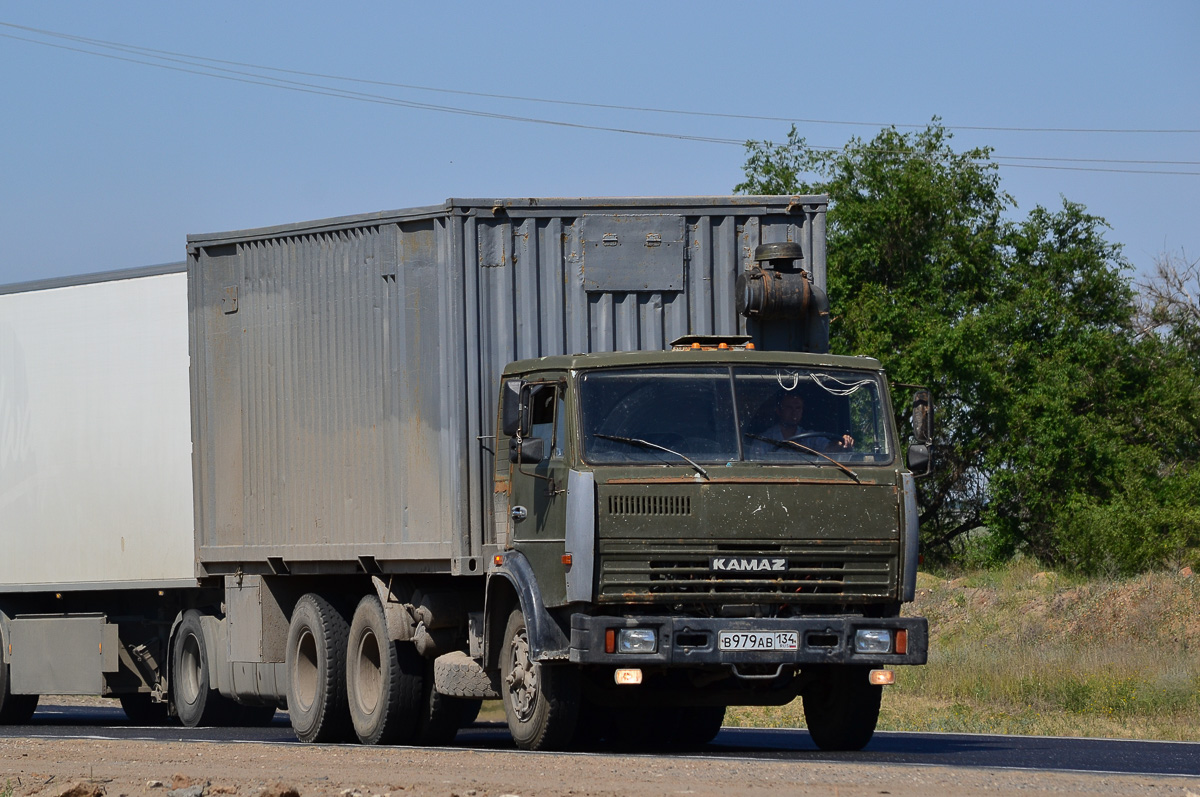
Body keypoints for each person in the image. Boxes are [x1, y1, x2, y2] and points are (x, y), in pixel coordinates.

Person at [750, 392, 853, 455]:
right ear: (778, 411)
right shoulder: (764, 440)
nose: (794, 412)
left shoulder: (810, 438)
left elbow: (829, 449)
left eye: (798, 408)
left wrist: (841, 444)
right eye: (789, 408)